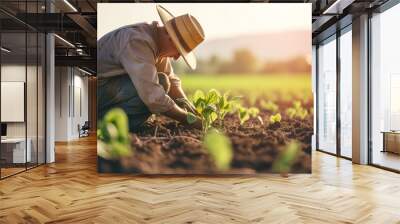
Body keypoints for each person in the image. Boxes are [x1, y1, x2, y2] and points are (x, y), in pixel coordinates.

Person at [97, 5, 204, 131]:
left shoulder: (156, 42)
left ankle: (123, 122)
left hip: (108, 91)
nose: (176, 57)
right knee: (159, 84)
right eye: (179, 51)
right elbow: (153, 97)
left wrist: (188, 106)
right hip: (96, 93)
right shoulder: (138, 41)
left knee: (164, 80)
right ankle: (109, 124)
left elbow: (172, 80)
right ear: (170, 38)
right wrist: (188, 120)